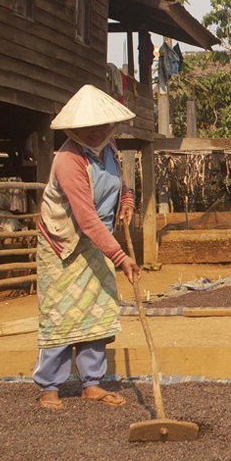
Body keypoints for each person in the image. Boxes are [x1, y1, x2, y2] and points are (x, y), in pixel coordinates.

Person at [33, 85, 140, 409]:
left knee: (98, 311)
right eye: (87, 127)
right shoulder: (68, 159)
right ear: (73, 129)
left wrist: (126, 198)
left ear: (110, 126)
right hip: (63, 245)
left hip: (97, 242)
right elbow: (85, 217)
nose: (95, 131)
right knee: (60, 313)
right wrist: (121, 257)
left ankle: (91, 383)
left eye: (100, 125)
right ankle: (50, 387)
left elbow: (117, 181)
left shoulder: (109, 146)